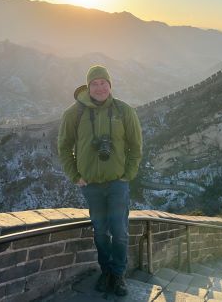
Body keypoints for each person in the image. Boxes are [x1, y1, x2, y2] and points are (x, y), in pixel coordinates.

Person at [57, 65, 142, 296]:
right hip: (91, 185)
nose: (100, 87)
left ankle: (118, 275)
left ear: (110, 85)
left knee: (120, 232)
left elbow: (135, 146)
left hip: (117, 183)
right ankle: (106, 272)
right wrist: (75, 176)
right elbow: (64, 147)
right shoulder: (73, 114)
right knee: (101, 232)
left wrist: (128, 174)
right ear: (88, 87)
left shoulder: (124, 111)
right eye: (94, 83)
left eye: (103, 82)